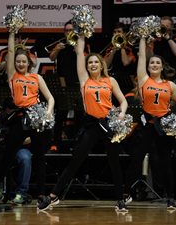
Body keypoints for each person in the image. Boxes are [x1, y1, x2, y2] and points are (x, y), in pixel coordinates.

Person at [37, 34, 128, 212]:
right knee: (76, 160)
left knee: (114, 162)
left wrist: (121, 114)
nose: (93, 64)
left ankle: (120, 199)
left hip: (108, 123)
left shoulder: (111, 81)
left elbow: (123, 101)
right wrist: (81, 34)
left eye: (96, 62)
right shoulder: (84, 81)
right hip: (91, 124)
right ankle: (53, 196)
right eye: (90, 63)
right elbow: (80, 53)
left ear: (102, 64)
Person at [124, 37, 176, 210]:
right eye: (152, 62)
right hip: (147, 125)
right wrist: (143, 38)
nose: (154, 65)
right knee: (136, 161)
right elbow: (142, 56)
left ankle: (170, 197)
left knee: (165, 162)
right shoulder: (143, 79)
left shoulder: (170, 85)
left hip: (163, 127)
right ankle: (125, 194)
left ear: (162, 66)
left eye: (157, 62)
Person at [0, 30, 54, 206]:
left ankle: (42, 195)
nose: (21, 64)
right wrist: (12, 33)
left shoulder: (36, 77)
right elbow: (11, 51)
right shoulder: (13, 76)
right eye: (18, 62)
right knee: (7, 155)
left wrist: (47, 113)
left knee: (39, 157)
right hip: (18, 117)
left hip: (35, 118)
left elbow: (50, 98)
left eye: (24, 61)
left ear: (29, 63)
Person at [48, 20, 88, 151]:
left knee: (80, 115)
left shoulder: (81, 44)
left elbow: (86, 59)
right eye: (66, 30)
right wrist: (57, 50)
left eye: (71, 30)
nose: (68, 32)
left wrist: (78, 47)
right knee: (60, 114)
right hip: (63, 84)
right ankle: (56, 143)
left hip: (77, 84)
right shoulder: (61, 45)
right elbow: (51, 58)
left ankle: (78, 143)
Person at [146, 16, 176, 85]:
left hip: (172, 79)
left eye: (167, 26)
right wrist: (149, 46)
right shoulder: (155, 41)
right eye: (162, 26)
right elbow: (149, 58)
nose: (164, 28)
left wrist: (168, 38)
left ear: (171, 28)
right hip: (156, 78)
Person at [103, 22, 136, 95]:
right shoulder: (110, 49)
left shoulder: (130, 48)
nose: (116, 34)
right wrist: (114, 49)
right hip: (112, 79)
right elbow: (106, 65)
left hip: (126, 81)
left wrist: (122, 46)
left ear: (124, 34)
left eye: (119, 31)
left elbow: (126, 62)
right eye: (114, 32)